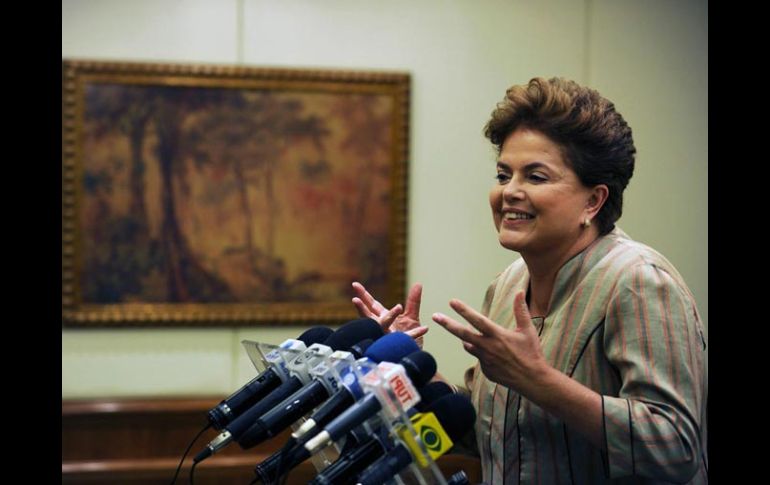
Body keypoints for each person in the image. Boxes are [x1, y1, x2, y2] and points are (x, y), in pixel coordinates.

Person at [351, 77, 708, 484]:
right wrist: (412, 368)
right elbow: (487, 435)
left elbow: (675, 450)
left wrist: (539, 381)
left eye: (535, 177)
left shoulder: (640, 282)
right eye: (504, 175)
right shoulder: (508, 285)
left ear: (594, 201)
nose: (509, 192)